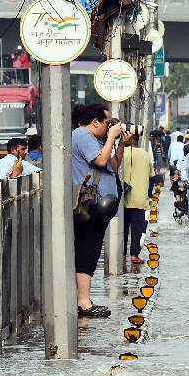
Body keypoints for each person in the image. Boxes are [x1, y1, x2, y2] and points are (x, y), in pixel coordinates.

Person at [70, 103, 124, 318]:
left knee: (91, 250)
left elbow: (112, 165)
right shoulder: (82, 136)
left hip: (98, 206)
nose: (109, 126)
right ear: (95, 122)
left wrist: (119, 143)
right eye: (107, 122)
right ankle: (83, 303)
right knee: (87, 250)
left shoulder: (94, 140)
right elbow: (101, 160)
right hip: (89, 205)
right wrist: (111, 136)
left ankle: (84, 300)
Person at [120, 132, 153, 264]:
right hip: (140, 198)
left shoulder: (120, 153)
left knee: (122, 229)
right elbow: (151, 174)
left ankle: (121, 255)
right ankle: (134, 255)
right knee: (137, 231)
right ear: (137, 141)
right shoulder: (145, 155)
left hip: (122, 197)